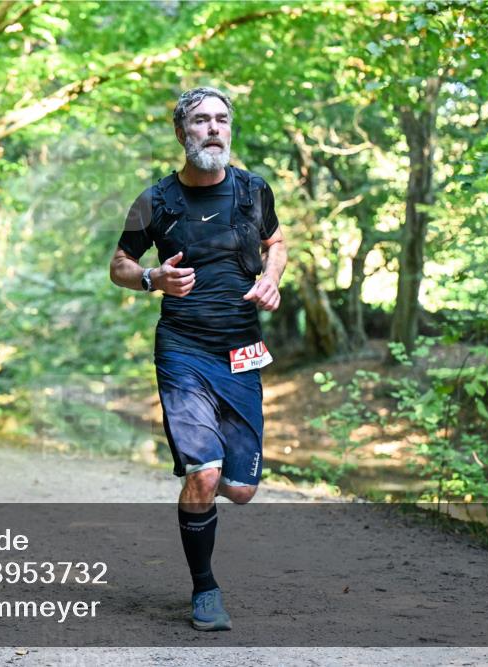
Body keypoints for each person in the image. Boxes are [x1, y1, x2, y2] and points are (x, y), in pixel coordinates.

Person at [109, 87, 287, 631]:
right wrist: (150, 278)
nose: (213, 128)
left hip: (241, 350)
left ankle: (215, 481)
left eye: (222, 120)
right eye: (201, 120)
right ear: (181, 132)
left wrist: (272, 279)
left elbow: (276, 242)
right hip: (183, 350)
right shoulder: (156, 201)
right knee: (205, 476)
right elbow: (119, 263)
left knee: (240, 489)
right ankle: (205, 590)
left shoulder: (254, 190)